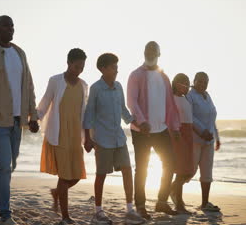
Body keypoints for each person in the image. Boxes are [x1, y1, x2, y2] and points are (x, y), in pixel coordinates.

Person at [0, 15, 39, 225]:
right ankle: (5, 215)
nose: (10, 29)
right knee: (4, 165)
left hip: (17, 121)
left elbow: (28, 86)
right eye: (5, 25)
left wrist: (33, 116)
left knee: (9, 166)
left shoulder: (20, 53)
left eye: (12, 25)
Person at [84, 53, 146, 225]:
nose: (116, 69)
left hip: (119, 138)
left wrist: (137, 124)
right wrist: (87, 138)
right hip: (102, 139)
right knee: (101, 175)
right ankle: (98, 211)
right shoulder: (96, 88)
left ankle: (129, 210)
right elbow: (89, 114)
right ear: (103, 69)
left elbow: (123, 110)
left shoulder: (118, 86)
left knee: (127, 170)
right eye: (113, 67)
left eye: (117, 66)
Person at [126, 41, 181, 219]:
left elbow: (171, 105)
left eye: (153, 50)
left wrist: (175, 127)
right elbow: (131, 101)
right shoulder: (135, 75)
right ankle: (140, 205)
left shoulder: (164, 77)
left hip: (162, 130)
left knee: (170, 163)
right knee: (142, 168)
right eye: (147, 49)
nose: (149, 52)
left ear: (159, 53)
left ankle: (162, 202)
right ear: (143, 52)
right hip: (141, 131)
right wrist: (141, 122)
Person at [38, 48, 88, 225]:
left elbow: (85, 113)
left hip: (75, 135)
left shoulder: (83, 85)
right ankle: (65, 217)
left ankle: (57, 192)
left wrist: (89, 137)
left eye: (82, 67)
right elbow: (44, 102)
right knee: (65, 176)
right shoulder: (55, 81)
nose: (79, 70)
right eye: (76, 66)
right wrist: (34, 119)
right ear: (68, 63)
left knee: (76, 175)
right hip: (59, 134)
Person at [186, 72, 221, 212]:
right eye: (200, 81)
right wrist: (202, 131)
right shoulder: (190, 96)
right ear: (194, 81)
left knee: (207, 172)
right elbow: (190, 117)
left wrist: (217, 137)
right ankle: (172, 191)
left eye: (205, 81)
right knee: (190, 170)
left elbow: (212, 119)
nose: (203, 84)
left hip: (209, 142)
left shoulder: (208, 96)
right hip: (195, 140)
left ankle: (205, 203)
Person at [170, 73, 195, 213]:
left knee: (188, 171)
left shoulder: (186, 99)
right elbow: (169, 119)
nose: (186, 86)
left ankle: (171, 190)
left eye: (187, 82)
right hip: (178, 135)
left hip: (188, 135)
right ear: (177, 84)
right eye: (183, 83)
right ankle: (179, 203)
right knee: (181, 171)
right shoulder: (172, 99)